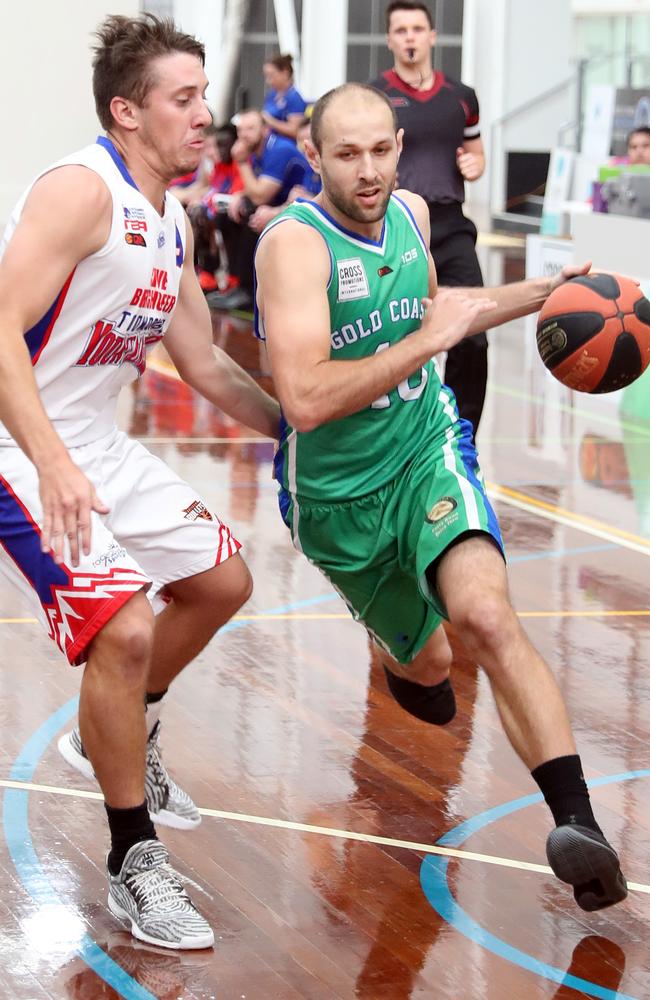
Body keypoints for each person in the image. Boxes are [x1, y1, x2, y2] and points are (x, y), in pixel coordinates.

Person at [254, 82, 628, 914]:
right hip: (338, 502)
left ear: (400, 145)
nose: (369, 171)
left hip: (427, 447)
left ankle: (580, 826)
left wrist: (544, 293)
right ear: (313, 157)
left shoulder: (415, 217)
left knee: (488, 615)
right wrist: (430, 335)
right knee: (429, 669)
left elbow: (445, 312)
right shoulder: (295, 245)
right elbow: (307, 398)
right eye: (346, 154)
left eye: (381, 150)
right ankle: (402, 658)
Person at [0, 14, 280, 949]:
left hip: (95, 444)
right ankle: (132, 861)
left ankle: (115, 729)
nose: (206, 115)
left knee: (222, 580)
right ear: (127, 111)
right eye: (184, 99)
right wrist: (50, 461)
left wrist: (301, 428)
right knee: (121, 631)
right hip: (20, 446)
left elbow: (202, 364)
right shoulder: (81, 192)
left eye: (205, 96)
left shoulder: (172, 218)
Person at [371, 0, 489, 434]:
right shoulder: (373, 96)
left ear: (432, 36)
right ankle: (392, 434)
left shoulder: (462, 97)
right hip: (394, 226)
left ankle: (462, 435)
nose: (409, 38)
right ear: (389, 40)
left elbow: (475, 153)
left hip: (451, 225)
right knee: (391, 334)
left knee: (473, 333)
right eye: (400, 30)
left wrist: (476, 165)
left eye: (417, 29)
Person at [207, 108, 309, 312]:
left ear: (265, 130)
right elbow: (253, 190)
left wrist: (242, 162)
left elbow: (261, 194)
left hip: (299, 212)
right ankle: (235, 283)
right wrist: (240, 196)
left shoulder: (279, 149)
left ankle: (248, 291)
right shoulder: (256, 151)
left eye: (251, 128)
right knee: (226, 215)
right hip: (280, 206)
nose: (245, 135)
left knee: (252, 213)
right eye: (242, 130)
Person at [262, 53, 308, 141]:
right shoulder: (272, 95)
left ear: (285, 73)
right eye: (266, 76)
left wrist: (270, 121)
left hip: (285, 144)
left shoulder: (294, 98)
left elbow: (295, 130)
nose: (268, 81)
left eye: (271, 75)